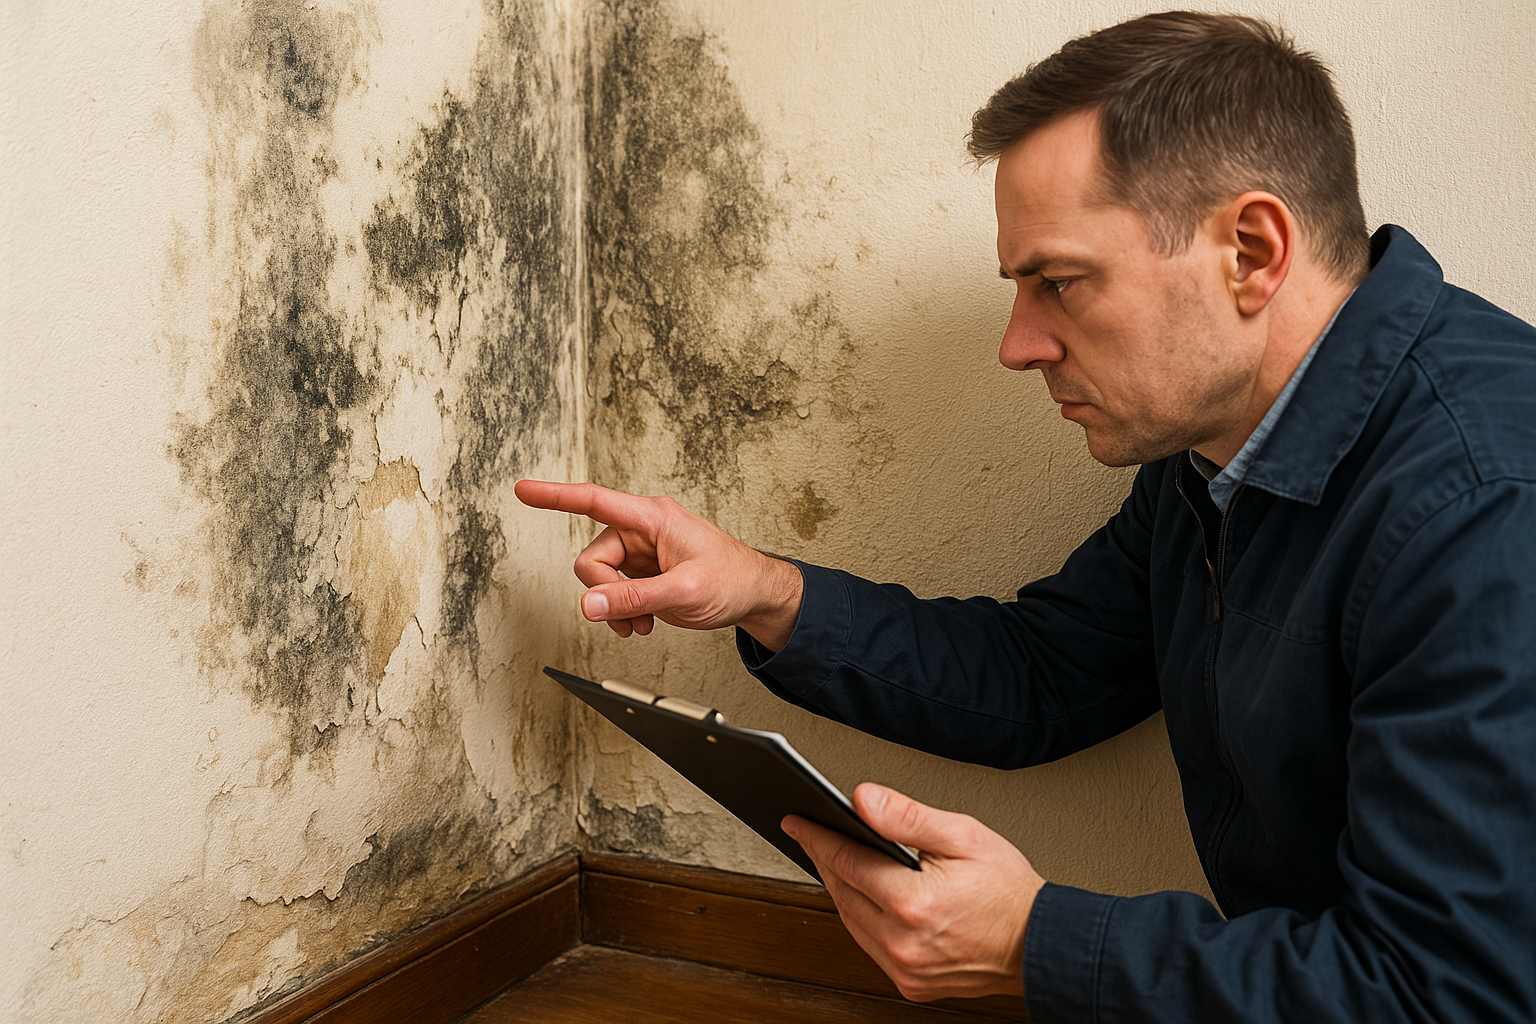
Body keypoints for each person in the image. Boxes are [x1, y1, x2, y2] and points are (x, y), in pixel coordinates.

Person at [517, 11, 1536, 1022]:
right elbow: (1047, 673)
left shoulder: (1485, 505)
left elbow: (1449, 991)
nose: (1019, 345)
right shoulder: (1216, 447)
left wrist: (1027, 943)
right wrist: (765, 591)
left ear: (1253, 251)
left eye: (1059, 283)